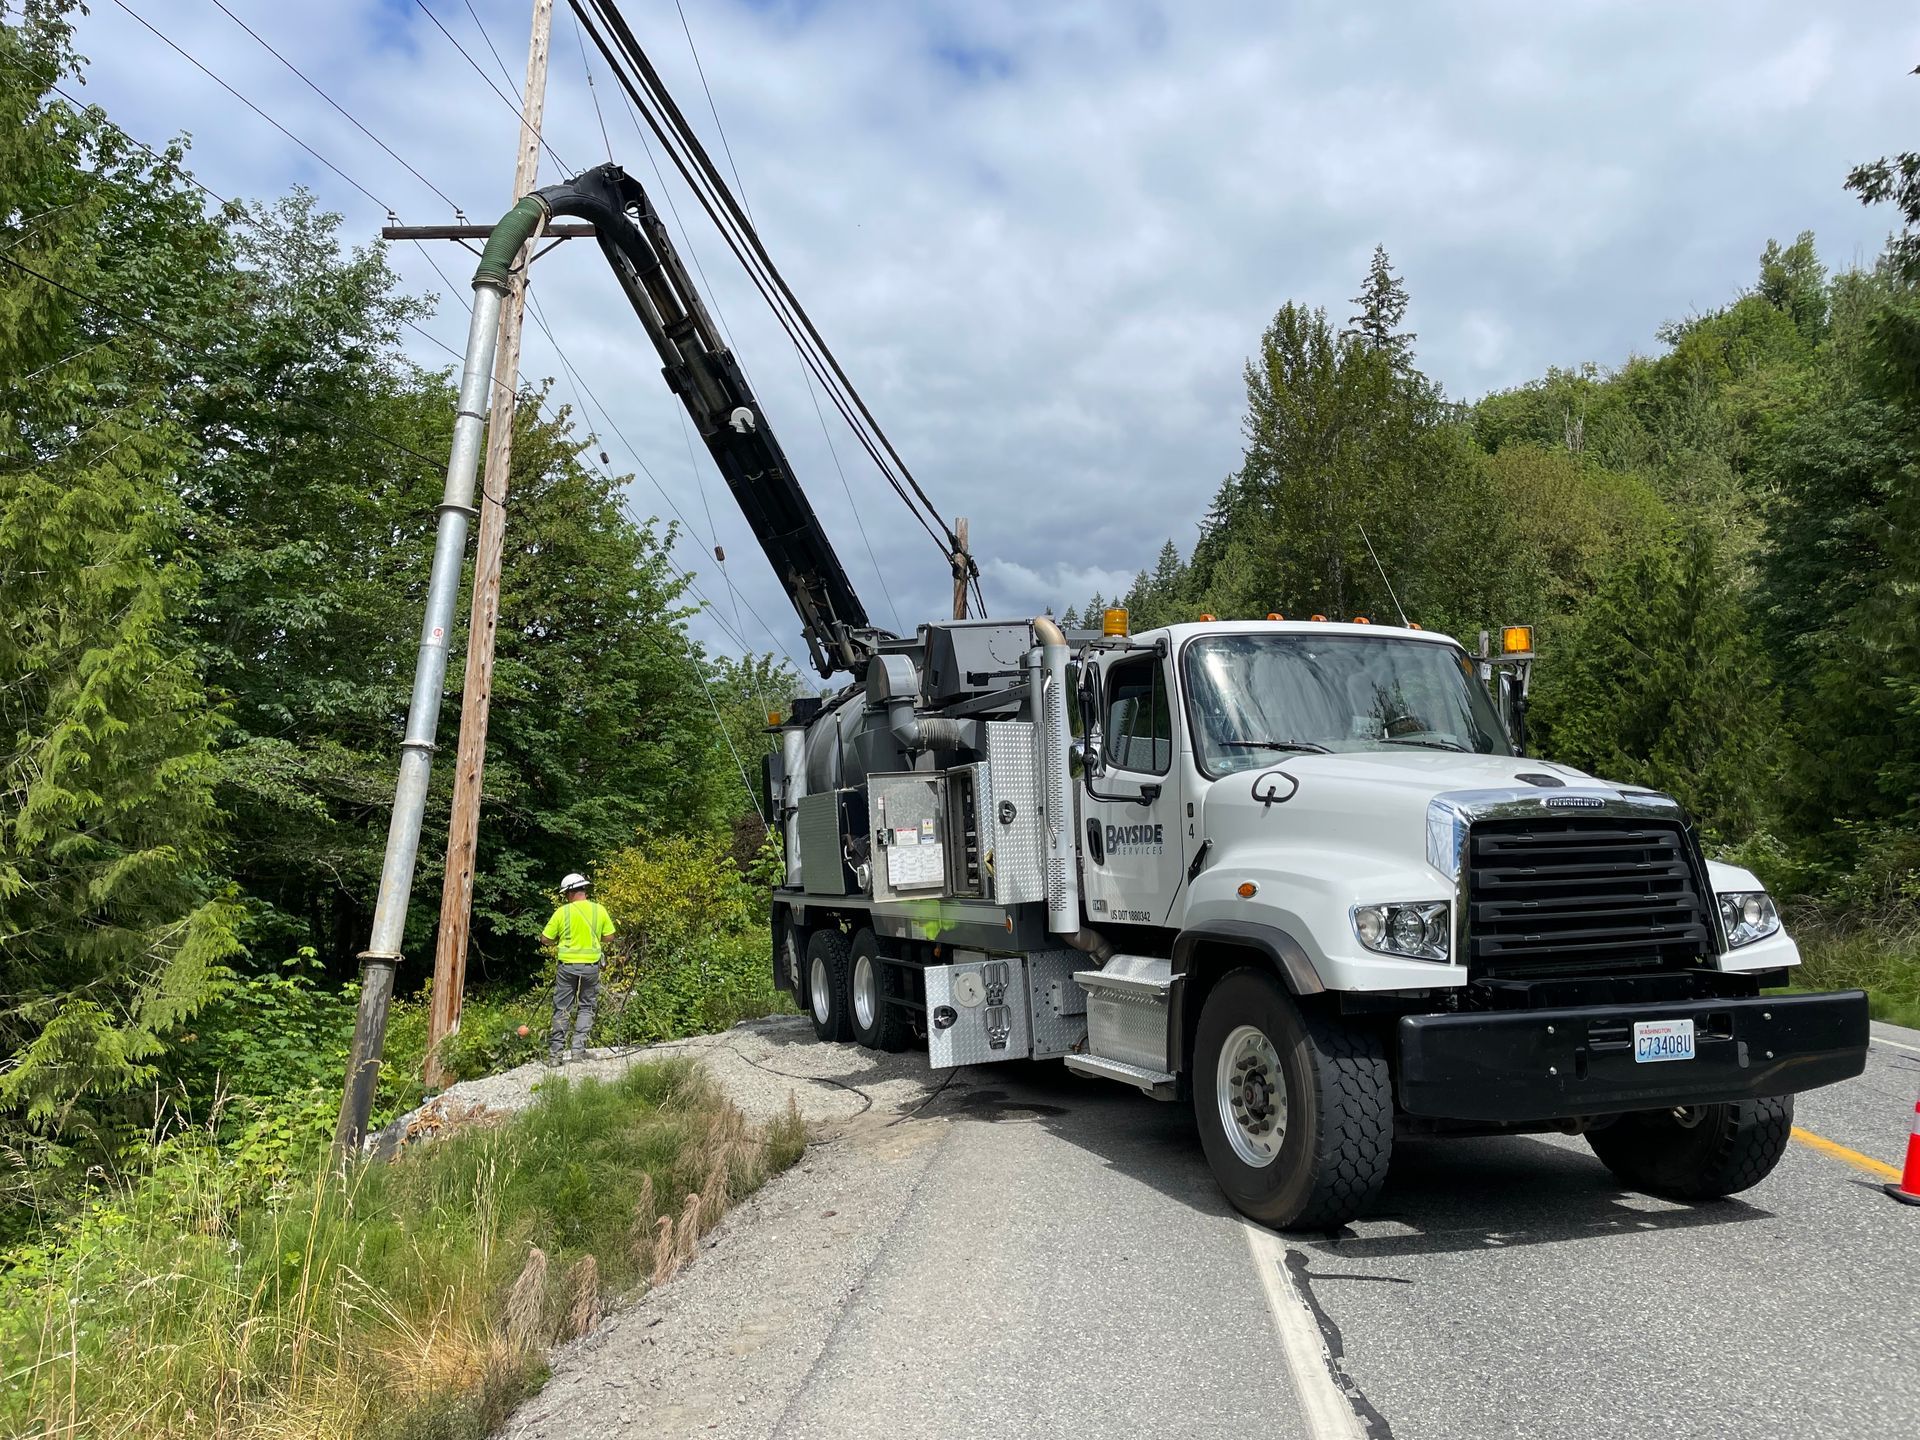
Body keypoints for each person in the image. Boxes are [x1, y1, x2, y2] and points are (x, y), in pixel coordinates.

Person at [541, 871, 617, 1065]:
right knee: (586, 1007)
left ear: (569, 893)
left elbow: (545, 939)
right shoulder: (599, 910)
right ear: (583, 889)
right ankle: (578, 1051)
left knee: (562, 1009)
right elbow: (609, 937)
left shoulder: (562, 912)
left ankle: (555, 1056)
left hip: (567, 968)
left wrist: (561, 939)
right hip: (591, 968)